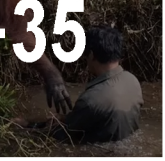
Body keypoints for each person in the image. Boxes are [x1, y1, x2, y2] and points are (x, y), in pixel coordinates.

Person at [15, 25, 143, 143]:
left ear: (92, 55)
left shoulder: (91, 99)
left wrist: (26, 126)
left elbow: (61, 135)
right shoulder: (133, 81)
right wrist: (66, 118)